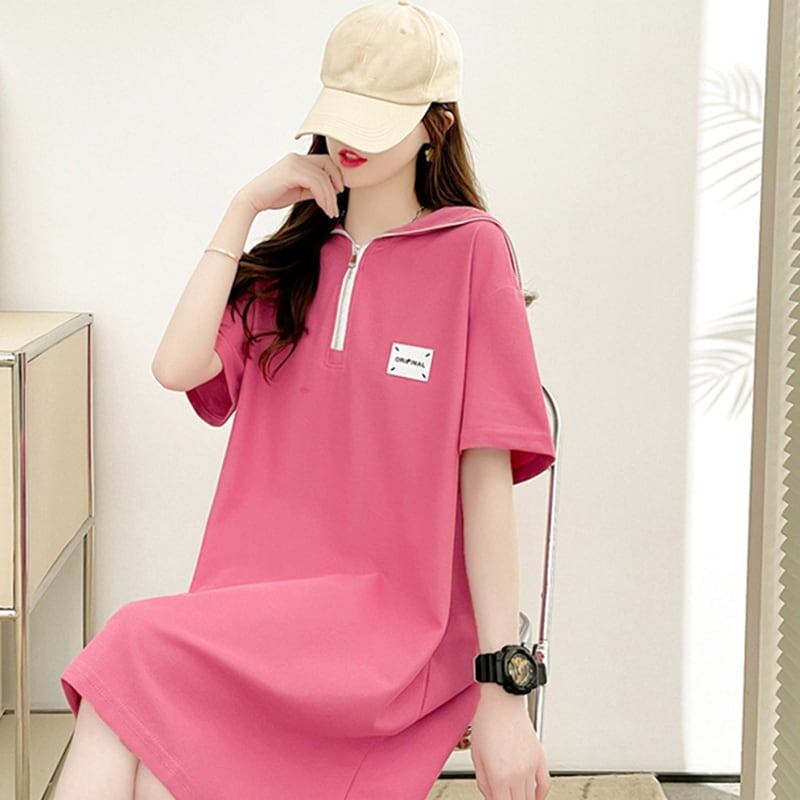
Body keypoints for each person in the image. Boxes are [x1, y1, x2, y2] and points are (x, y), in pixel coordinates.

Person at [54, 2, 556, 799]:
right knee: (138, 746)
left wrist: (504, 690)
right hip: (250, 613)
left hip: (395, 630)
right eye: (341, 112)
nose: (350, 138)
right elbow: (176, 367)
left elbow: (486, 477)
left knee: (127, 653)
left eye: (379, 117)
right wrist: (242, 209)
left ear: (436, 125)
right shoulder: (286, 269)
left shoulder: (472, 252)